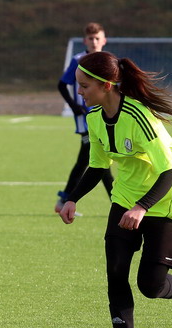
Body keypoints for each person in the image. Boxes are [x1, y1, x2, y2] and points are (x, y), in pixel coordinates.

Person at [59, 51, 172, 328]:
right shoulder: (94, 118)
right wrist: (72, 198)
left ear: (106, 86)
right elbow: (98, 166)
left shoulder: (140, 117)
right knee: (116, 272)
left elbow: (170, 171)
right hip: (124, 200)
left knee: (151, 285)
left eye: (84, 86)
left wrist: (142, 207)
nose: (79, 92)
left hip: (163, 204)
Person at [55, 22, 114, 214]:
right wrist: (74, 106)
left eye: (97, 38)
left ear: (104, 40)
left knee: (90, 162)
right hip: (86, 120)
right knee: (99, 163)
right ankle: (117, 204)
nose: (94, 41)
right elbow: (62, 84)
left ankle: (64, 200)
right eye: (91, 38)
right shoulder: (78, 60)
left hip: (103, 117)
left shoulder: (107, 61)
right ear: (85, 41)